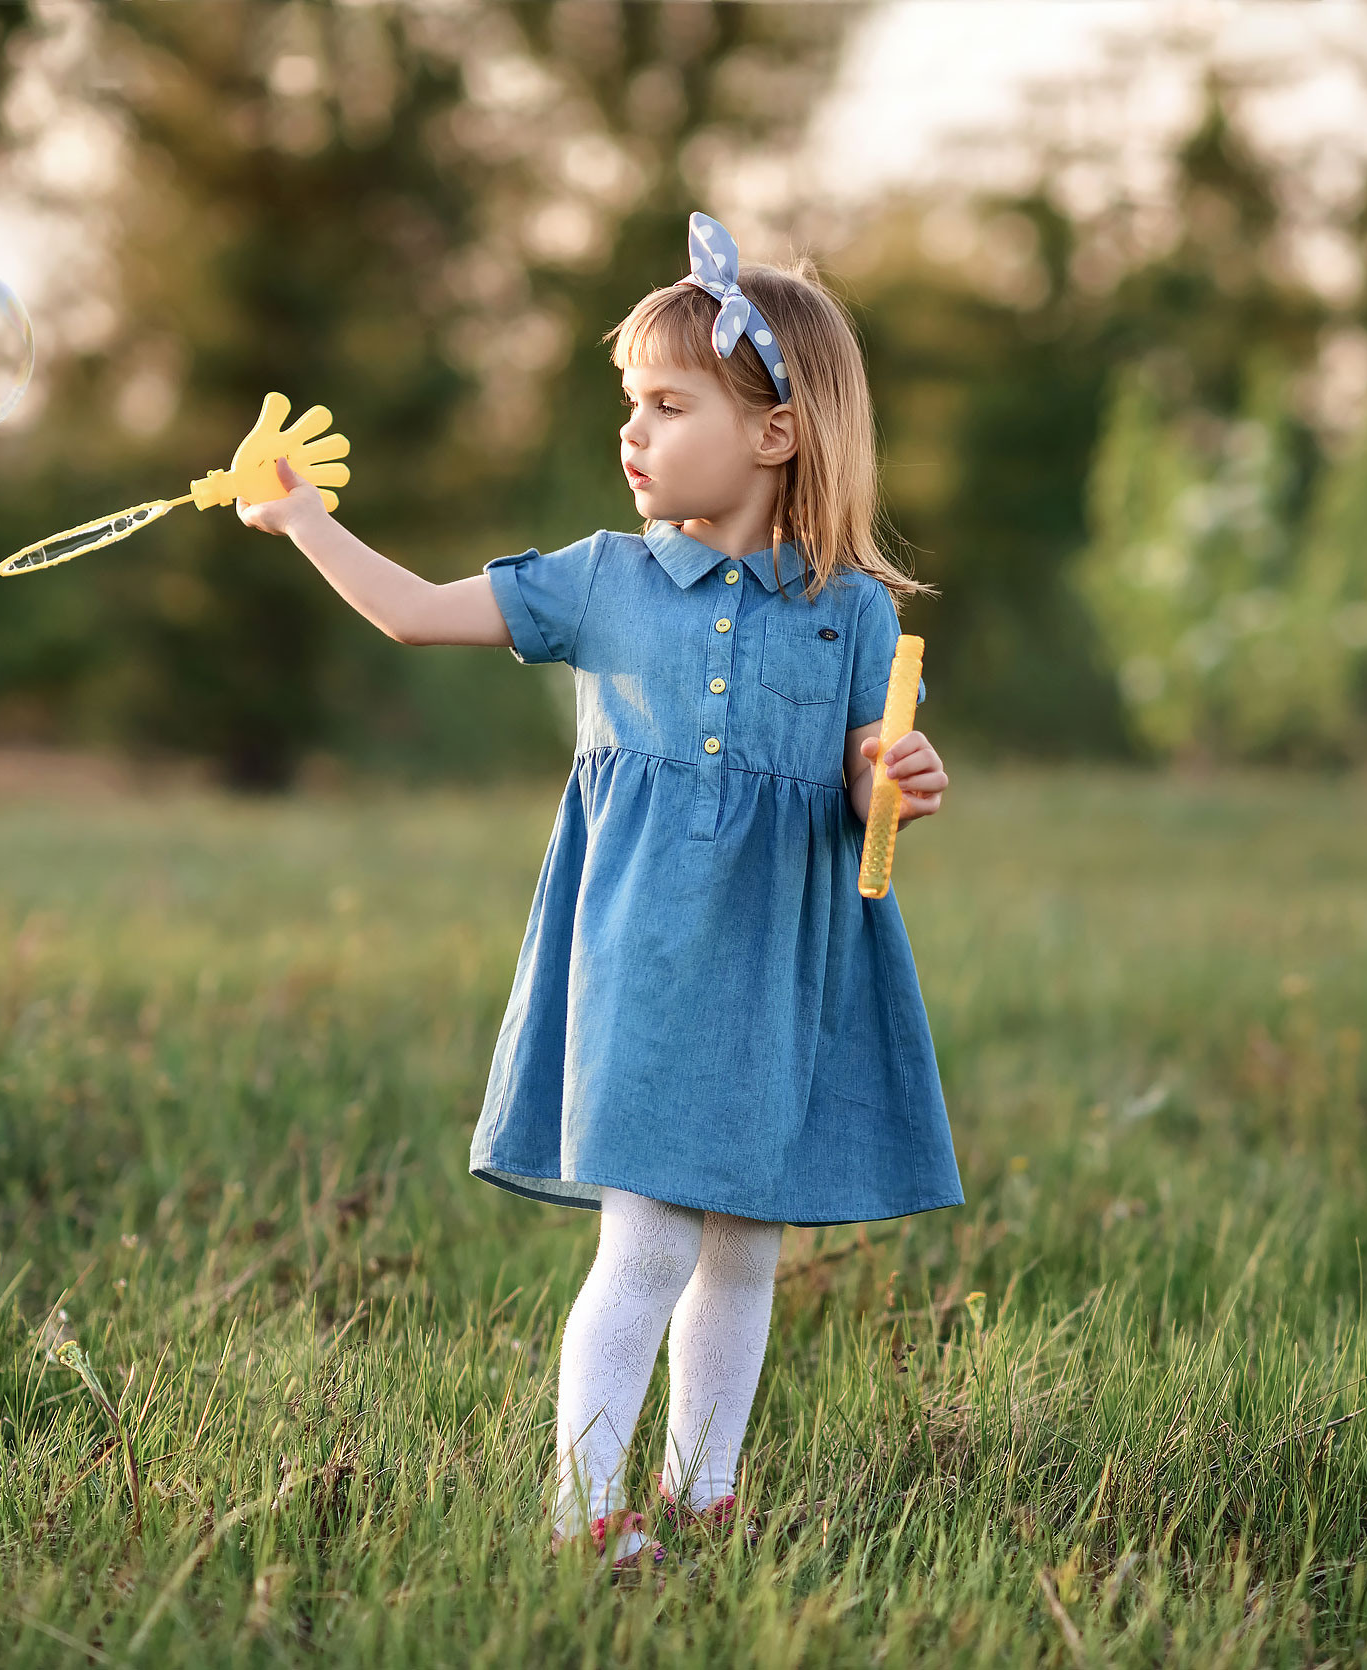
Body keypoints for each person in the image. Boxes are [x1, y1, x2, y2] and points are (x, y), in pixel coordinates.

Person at [238, 212, 960, 1568]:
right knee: (647, 1243)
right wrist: (304, 524)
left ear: (776, 434)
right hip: (642, 956)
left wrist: (898, 772)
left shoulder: (848, 608)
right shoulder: (605, 580)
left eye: (667, 403)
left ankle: (703, 1489)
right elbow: (414, 610)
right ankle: (583, 1512)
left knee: (747, 1246)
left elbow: (863, 780)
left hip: (784, 964)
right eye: (629, 403)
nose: (631, 431)